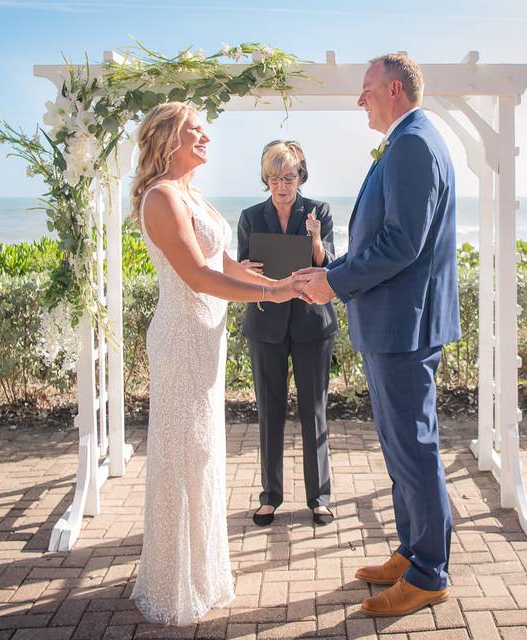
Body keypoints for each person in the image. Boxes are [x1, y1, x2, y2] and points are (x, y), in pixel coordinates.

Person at [294, 53, 461, 617]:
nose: (359, 99)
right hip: (394, 323)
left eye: (366, 89)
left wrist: (333, 283)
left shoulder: (414, 143)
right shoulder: (407, 140)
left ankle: (430, 573)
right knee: (399, 445)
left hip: (402, 327)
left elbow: (401, 244)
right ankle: (413, 552)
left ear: (394, 89)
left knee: (414, 447)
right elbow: (387, 241)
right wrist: (331, 270)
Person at [129, 102, 300, 626]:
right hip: (182, 336)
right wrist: (271, 290)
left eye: (204, 130)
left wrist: (253, 275)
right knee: (183, 452)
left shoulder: (190, 193)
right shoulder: (161, 197)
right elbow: (196, 277)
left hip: (207, 336)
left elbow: (220, 261)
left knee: (203, 452)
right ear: (168, 139)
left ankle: (203, 571)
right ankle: (173, 579)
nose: (205, 137)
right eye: (194, 131)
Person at [237, 140, 338, 527]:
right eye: (275, 177)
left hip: (312, 323)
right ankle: (270, 496)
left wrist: (314, 237)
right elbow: (243, 269)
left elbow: (326, 262)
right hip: (265, 323)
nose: (283, 184)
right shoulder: (249, 216)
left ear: (300, 176)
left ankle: (320, 497)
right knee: (269, 412)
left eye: (290, 176)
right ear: (266, 178)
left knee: (314, 411)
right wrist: (246, 268)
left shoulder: (319, 211)